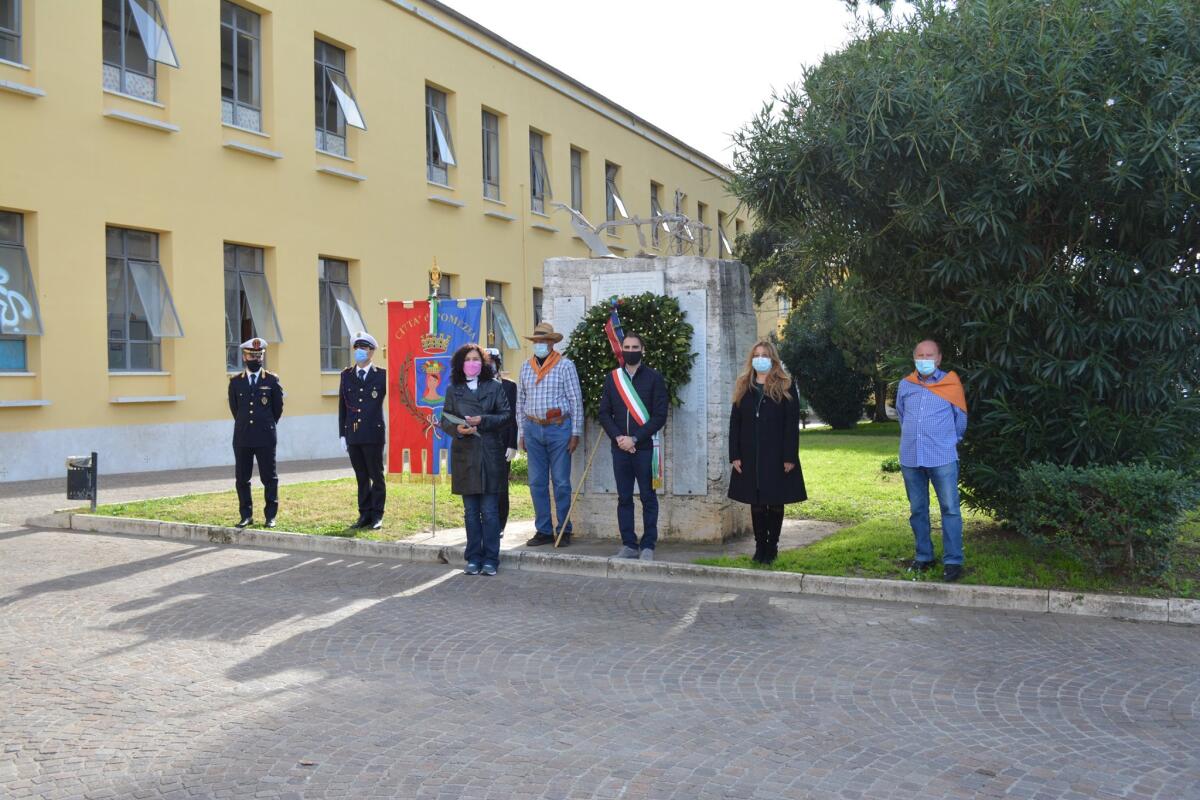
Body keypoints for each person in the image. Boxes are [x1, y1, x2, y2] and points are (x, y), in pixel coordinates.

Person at [727, 340, 807, 564]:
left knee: (775, 500)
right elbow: (735, 422)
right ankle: (760, 546)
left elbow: (791, 424)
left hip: (776, 453)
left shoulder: (785, 385)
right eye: (756, 354)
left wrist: (789, 456)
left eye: (764, 355)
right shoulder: (744, 384)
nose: (760, 358)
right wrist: (735, 454)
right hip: (750, 454)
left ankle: (773, 546)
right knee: (757, 502)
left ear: (772, 359)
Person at [895, 339, 968, 582]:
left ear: (938, 358)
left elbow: (960, 419)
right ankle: (924, 556)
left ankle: (953, 561)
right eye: (920, 355)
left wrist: (948, 441)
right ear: (914, 358)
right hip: (911, 457)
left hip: (942, 457)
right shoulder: (906, 385)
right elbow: (902, 416)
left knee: (950, 509)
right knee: (917, 510)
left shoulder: (951, 383)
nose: (924, 359)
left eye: (929, 355)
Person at [439, 344, 511, 576]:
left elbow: (505, 415)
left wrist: (483, 420)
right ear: (461, 364)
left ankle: (491, 558)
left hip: (489, 453)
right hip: (465, 455)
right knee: (470, 511)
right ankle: (473, 557)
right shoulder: (453, 390)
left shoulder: (494, 387)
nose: (473, 363)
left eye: (477, 359)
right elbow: (445, 420)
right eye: (469, 359)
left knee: (489, 511)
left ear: (483, 363)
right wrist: (458, 429)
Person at [597, 333, 668, 560]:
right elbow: (604, 413)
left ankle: (648, 544)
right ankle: (629, 544)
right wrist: (619, 438)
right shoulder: (613, 378)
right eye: (626, 346)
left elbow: (659, 416)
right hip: (619, 449)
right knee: (624, 497)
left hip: (644, 448)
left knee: (648, 496)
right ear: (622, 350)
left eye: (635, 346)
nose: (630, 350)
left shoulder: (654, 378)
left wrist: (635, 439)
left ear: (642, 350)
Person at [515, 322, 584, 547]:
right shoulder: (526, 367)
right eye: (536, 342)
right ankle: (543, 530)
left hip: (558, 428)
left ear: (552, 343)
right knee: (536, 482)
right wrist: (522, 432)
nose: (539, 345)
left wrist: (575, 433)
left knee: (562, 482)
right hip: (533, 428)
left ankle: (564, 529)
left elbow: (575, 400)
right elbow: (520, 401)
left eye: (543, 341)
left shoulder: (565, 366)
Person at [228, 337, 284, 528]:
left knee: (269, 477)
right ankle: (246, 515)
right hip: (243, 436)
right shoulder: (236, 382)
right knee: (242, 478)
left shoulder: (271, 380)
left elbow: (277, 409)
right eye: (252, 355)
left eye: (259, 355)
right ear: (244, 357)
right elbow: (235, 410)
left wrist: (265, 424)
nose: (256, 359)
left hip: (265, 437)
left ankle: (270, 516)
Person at [339, 332, 387, 530]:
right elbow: (342, 405)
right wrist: (342, 434)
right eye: (357, 348)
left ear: (372, 351)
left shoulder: (381, 375)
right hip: (353, 434)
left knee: (376, 475)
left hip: (373, 433)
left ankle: (377, 515)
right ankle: (364, 514)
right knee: (360, 476)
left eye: (364, 348)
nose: (360, 352)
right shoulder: (346, 375)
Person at [485, 347, 518, 536]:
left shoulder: (508, 386)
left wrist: (512, 444)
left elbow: (513, 416)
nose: (488, 364)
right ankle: (486, 521)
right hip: (482, 443)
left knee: (500, 486)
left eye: (491, 361)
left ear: (498, 363)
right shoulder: (477, 385)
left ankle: (500, 523)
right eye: (485, 361)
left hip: (503, 442)